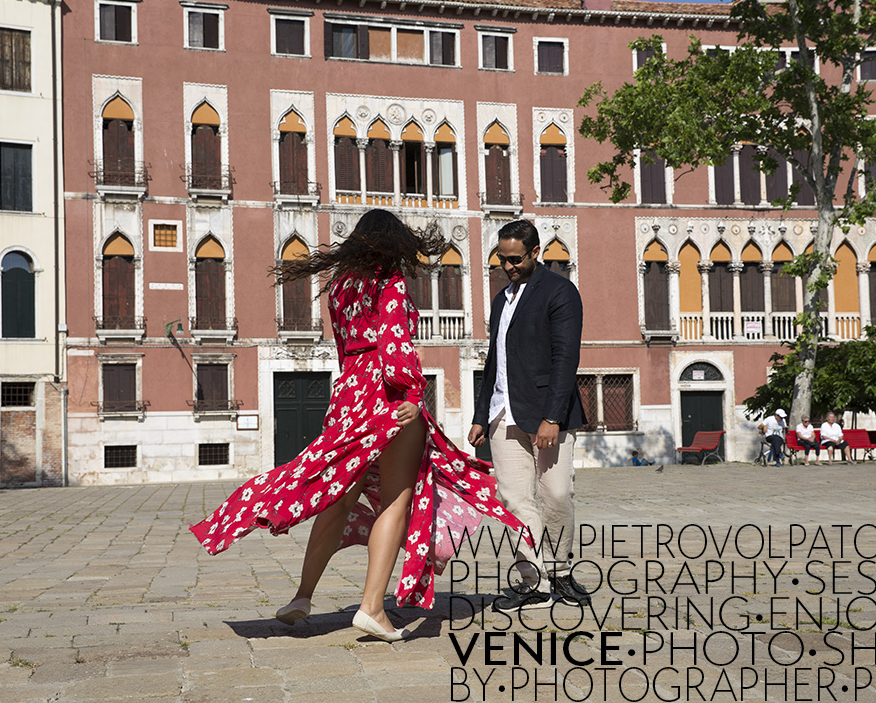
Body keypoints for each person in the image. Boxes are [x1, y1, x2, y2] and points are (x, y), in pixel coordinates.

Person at [189, 210, 532, 643]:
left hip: (350, 391)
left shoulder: (342, 285)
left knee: (339, 497)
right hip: (387, 392)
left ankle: (302, 596)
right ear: (392, 242)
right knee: (397, 499)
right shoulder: (388, 278)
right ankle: (372, 608)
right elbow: (394, 340)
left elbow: (343, 348)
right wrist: (411, 394)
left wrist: (357, 387)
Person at [467, 219, 588, 612]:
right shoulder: (501, 300)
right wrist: (481, 415)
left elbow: (565, 359)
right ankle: (533, 581)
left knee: (555, 493)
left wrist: (552, 417)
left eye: (515, 259)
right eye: (502, 259)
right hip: (504, 412)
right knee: (516, 499)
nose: (509, 266)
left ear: (536, 253)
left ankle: (559, 569)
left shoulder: (561, 293)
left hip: (546, 414)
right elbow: (494, 363)